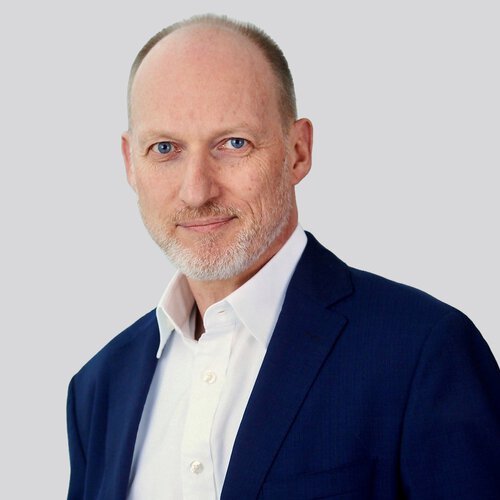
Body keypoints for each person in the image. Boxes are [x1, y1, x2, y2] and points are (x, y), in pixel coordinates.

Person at [66, 14, 500, 500]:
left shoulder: (423, 352)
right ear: (130, 163)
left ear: (298, 151)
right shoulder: (98, 390)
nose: (196, 191)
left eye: (233, 143)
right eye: (164, 148)